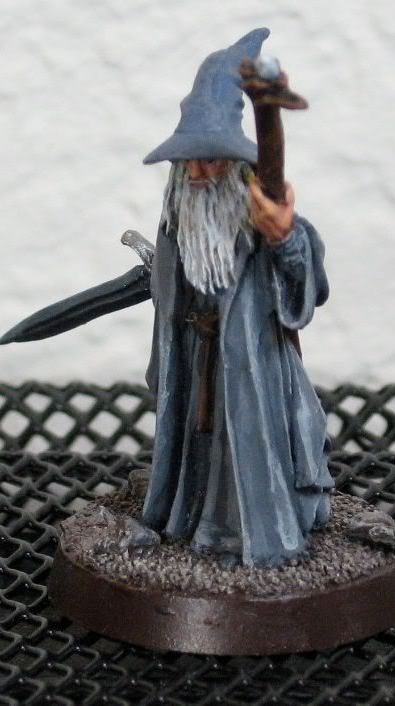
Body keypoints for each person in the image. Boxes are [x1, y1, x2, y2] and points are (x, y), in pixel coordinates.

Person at [140, 29, 334, 567]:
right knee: (196, 444)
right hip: (196, 358)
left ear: (234, 162)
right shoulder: (176, 226)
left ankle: (244, 537)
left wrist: (284, 238)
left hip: (254, 363)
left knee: (247, 445)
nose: (198, 172)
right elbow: (170, 294)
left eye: (212, 159)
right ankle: (190, 519)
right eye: (189, 161)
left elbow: (306, 284)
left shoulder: (261, 220)